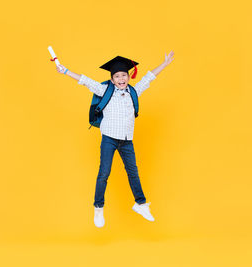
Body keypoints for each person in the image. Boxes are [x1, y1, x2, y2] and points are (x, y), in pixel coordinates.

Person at [55, 51, 174, 227]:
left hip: (127, 140)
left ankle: (140, 204)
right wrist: (65, 71)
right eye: (117, 76)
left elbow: (149, 78)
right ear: (112, 79)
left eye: (124, 75)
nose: (121, 78)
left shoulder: (134, 91)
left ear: (128, 77)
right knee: (104, 173)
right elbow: (85, 80)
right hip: (109, 138)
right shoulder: (105, 90)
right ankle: (98, 207)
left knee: (133, 172)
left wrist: (164, 64)